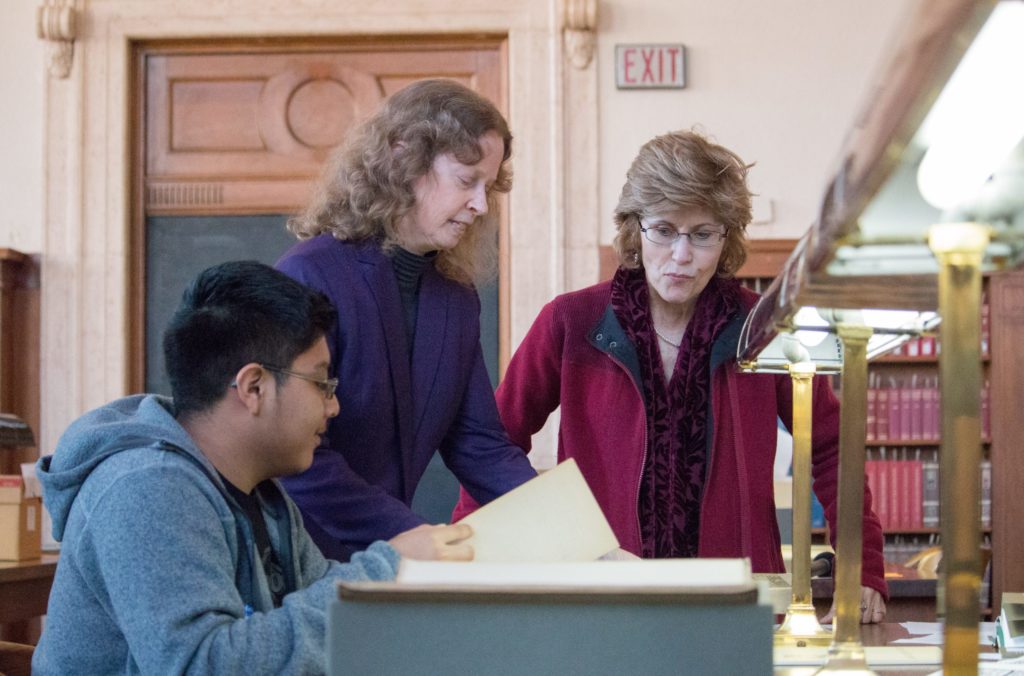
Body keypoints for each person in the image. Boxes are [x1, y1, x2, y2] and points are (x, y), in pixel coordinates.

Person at [452, 130, 889, 623]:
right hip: (603, 599)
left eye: (702, 234)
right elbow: (491, 442)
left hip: (740, 601)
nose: (682, 255)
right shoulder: (571, 322)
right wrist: (461, 559)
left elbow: (830, 445)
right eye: (663, 229)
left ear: (726, 238)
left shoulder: (763, 327)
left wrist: (860, 563)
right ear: (634, 228)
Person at [32, 261, 469, 675]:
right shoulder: (145, 488)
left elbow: (316, 600)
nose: (333, 406)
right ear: (253, 387)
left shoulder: (263, 493)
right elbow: (202, 665)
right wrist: (385, 573)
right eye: (322, 383)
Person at [276, 78, 536, 561]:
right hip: (296, 563)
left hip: (387, 562)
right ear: (403, 161)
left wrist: (581, 537)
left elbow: (479, 445)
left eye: (489, 186)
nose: (481, 205)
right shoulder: (309, 273)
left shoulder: (456, 298)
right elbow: (295, 455)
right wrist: (413, 534)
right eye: (466, 181)